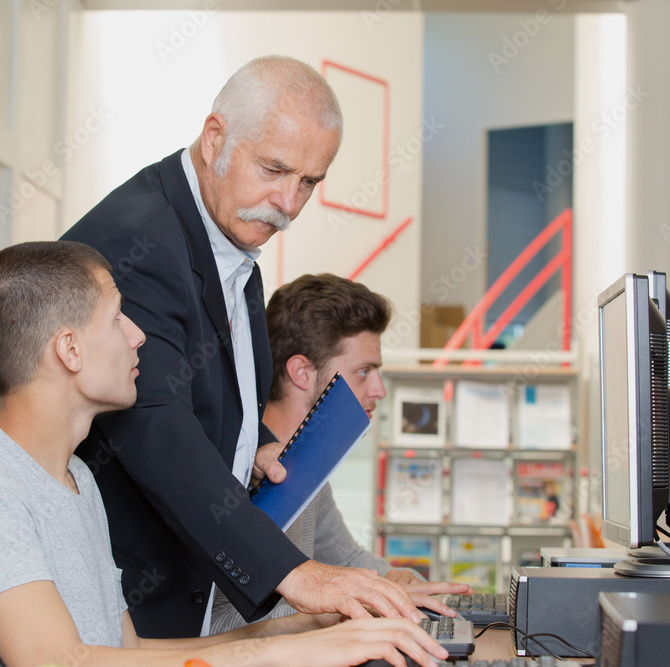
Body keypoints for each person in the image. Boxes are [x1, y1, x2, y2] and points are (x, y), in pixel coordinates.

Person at [0, 241, 448, 667]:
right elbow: (56, 661)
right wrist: (284, 653)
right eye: (118, 317)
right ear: (70, 349)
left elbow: (129, 652)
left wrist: (305, 627)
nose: (139, 335)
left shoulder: (75, 476)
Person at [62, 55, 444, 638]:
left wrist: (257, 445)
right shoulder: (140, 242)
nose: (288, 204)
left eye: (309, 182)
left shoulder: (228, 233)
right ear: (215, 137)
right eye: (274, 169)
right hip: (123, 605)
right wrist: (293, 572)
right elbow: (152, 423)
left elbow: (212, 387)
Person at [211, 273, 472, 633]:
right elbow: (213, 624)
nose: (378, 390)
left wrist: (397, 580)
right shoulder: (238, 471)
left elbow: (346, 557)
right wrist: (344, 608)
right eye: (364, 372)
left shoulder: (309, 466)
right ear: (302, 372)